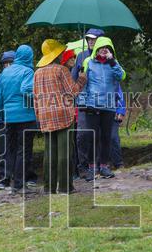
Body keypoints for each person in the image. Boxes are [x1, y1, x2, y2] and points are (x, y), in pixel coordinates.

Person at [33, 39, 87, 194]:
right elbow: (73, 91)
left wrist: (38, 115)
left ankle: (49, 187)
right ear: (56, 55)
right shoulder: (61, 70)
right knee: (65, 152)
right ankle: (65, 187)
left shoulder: (37, 73)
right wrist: (82, 78)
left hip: (45, 116)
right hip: (63, 115)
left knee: (49, 152)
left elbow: (36, 97)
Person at [78, 37, 125, 181]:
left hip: (109, 106)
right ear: (97, 49)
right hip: (92, 105)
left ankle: (104, 166)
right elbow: (83, 84)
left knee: (106, 138)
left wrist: (112, 61)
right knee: (92, 137)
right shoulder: (88, 62)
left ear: (111, 50)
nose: (104, 50)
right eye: (101, 47)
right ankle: (93, 169)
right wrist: (82, 102)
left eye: (107, 48)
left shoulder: (114, 63)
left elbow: (122, 76)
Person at [0, 44, 37, 193]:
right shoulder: (28, 71)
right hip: (25, 116)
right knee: (23, 151)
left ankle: (8, 180)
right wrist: (37, 99)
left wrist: (1, 114)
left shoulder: (4, 73)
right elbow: (26, 90)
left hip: (8, 117)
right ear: (29, 57)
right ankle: (19, 185)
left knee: (10, 150)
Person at [71, 29, 104, 174]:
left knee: (99, 134)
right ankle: (83, 167)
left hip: (101, 101)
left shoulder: (106, 56)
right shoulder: (80, 56)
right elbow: (73, 79)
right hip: (83, 101)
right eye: (88, 39)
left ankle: (98, 165)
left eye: (94, 39)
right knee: (82, 135)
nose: (90, 41)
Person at [0, 50, 17, 190]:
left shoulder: (21, 75)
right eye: (5, 63)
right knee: (3, 149)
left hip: (16, 118)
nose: (7, 66)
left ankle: (19, 176)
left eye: (10, 63)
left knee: (18, 148)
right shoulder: (0, 77)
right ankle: (4, 177)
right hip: (3, 118)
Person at [110, 82, 126, 170]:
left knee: (113, 138)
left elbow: (119, 94)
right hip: (97, 112)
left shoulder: (113, 72)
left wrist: (120, 111)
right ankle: (101, 165)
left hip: (112, 112)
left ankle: (118, 164)